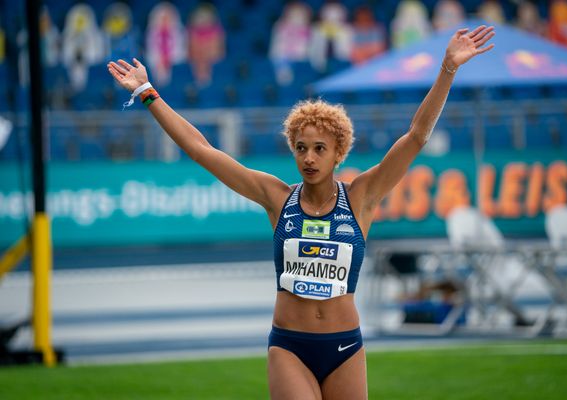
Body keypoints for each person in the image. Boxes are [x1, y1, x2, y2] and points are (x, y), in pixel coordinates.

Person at [107, 24, 495, 400]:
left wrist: (448, 69)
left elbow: (416, 136)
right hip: (290, 347)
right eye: (301, 148)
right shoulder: (277, 198)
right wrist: (146, 91)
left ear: (338, 153)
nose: (309, 158)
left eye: (320, 149)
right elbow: (201, 150)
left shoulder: (361, 197)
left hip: (345, 348)